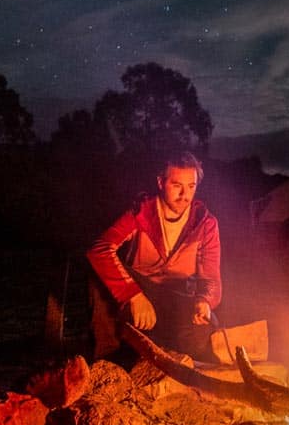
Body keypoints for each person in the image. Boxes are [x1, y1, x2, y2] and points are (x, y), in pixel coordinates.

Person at [87, 151, 221, 364]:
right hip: (142, 291)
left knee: (200, 338)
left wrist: (204, 301)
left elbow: (211, 279)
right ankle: (107, 361)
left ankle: (168, 353)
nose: (184, 195)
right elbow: (100, 250)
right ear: (161, 182)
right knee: (97, 277)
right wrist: (134, 295)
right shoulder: (141, 213)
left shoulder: (205, 223)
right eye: (177, 185)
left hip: (179, 298)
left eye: (191, 186)